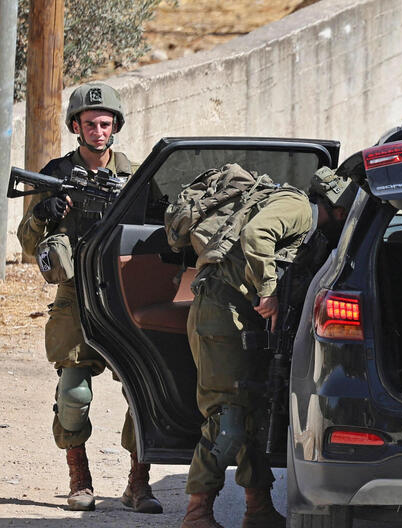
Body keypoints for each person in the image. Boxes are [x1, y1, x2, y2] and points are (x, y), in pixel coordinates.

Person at [16, 82, 162, 513]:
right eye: (90, 123)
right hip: (74, 296)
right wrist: (43, 214)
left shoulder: (135, 175)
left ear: (115, 125)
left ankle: (139, 481)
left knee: (142, 392)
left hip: (124, 294)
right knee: (74, 394)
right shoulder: (55, 174)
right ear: (76, 126)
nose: (99, 130)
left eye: (105, 123)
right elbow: (28, 245)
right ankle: (79, 479)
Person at [180, 167, 350, 528]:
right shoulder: (300, 208)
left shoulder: (312, 232)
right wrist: (269, 290)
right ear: (337, 207)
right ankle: (197, 513)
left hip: (240, 319)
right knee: (227, 418)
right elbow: (257, 234)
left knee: (252, 414)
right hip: (221, 316)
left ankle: (256, 508)